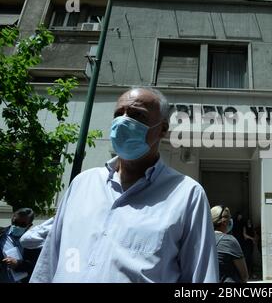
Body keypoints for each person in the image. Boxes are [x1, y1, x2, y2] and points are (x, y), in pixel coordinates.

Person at [30, 87, 219, 283]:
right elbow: (49, 261)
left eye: (137, 115)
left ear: (162, 129)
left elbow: (201, 278)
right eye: (119, 114)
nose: (124, 121)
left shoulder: (187, 194)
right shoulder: (82, 184)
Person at [211, 205, 248, 283]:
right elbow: (244, 276)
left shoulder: (202, 239)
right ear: (224, 222)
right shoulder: (229, 241)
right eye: (229, 218)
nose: (231, 221)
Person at [1, 208, 35, 283]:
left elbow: (36, 266)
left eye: (22, 224)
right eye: (15, 222)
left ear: (29, 225)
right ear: (12, 218)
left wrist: (18, 264)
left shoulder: (34, 241)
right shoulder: (1, 235)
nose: (17, 226)